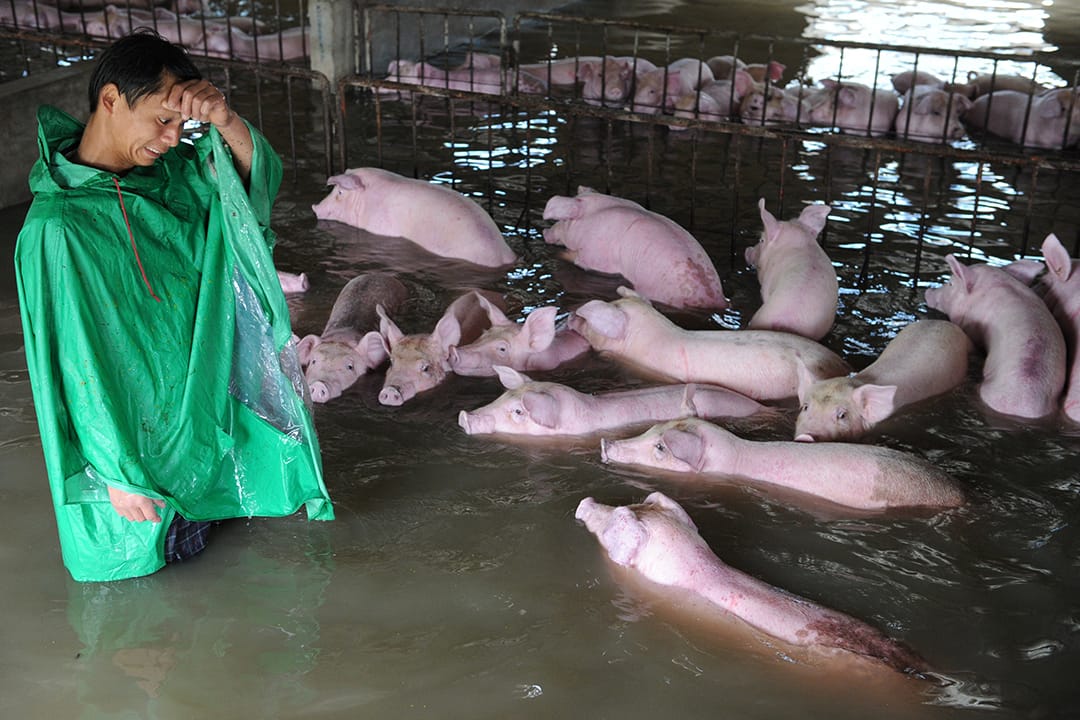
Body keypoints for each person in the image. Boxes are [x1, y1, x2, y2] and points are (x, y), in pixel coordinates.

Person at [15, 29, 333, 583]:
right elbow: (72, 364)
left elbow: (249, 193)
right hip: (133, 459)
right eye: (162, 120)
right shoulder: (58, 227)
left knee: (236, 584)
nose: (170, 138)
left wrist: (224, 120)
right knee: (157, 589)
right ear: (111, 99)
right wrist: (115, 473)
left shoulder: (174, 179)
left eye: (180, 125)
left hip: (201, 426)